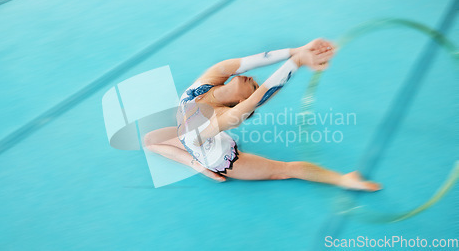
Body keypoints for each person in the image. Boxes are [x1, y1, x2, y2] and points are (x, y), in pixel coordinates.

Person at [144, 39, 381, 191]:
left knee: (285, 171)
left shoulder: (217, 119)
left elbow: (261, 96)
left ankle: (344, 179)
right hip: (193, 142)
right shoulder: (211, 80)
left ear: (241, 101)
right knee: (149, 141)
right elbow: (251, 62)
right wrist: (298, 50)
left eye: (254, 87)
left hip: (219, 156)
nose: (254, 80)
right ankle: (195, 163)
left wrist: (298, 62)